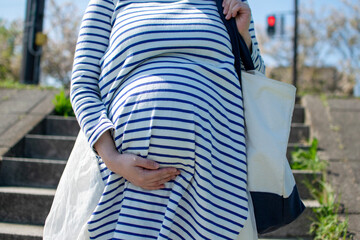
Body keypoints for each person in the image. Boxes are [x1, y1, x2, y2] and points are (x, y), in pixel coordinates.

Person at [45, 0, 265, 239]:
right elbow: (83, 85)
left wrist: (244, 37)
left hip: (211, 175)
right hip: (124, 177)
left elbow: (256, 82)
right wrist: (112, 158)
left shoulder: (225, 2)